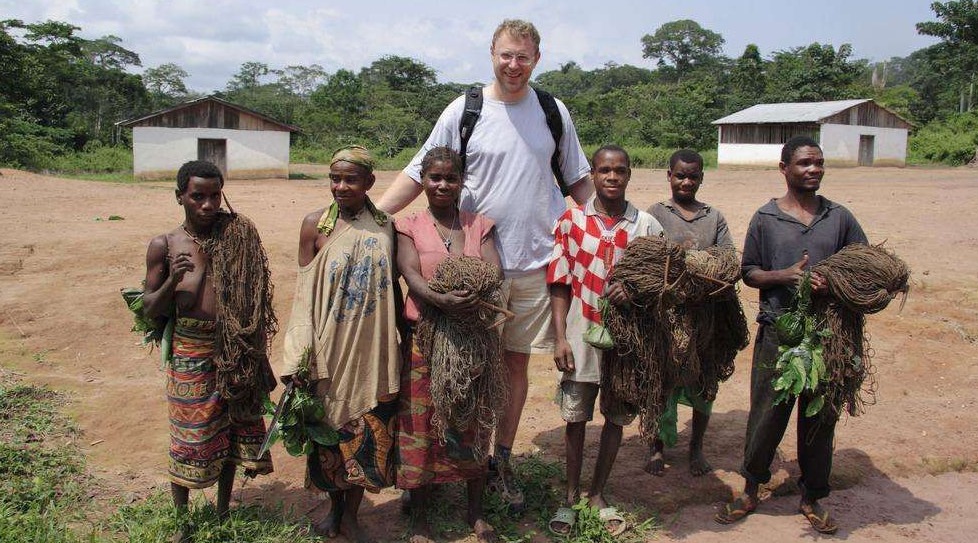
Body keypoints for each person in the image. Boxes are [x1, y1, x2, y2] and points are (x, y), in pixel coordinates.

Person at [376, 19, 592, 511]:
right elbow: (418, 169)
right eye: (506, 55)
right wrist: (369, 220)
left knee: (513, 367)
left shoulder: (552, 111)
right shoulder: (465, 109)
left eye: (523, 57)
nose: (514, 65)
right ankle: (449, 458)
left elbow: (579, 181)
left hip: (536, 263)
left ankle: (499, 460)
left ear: (537, 58)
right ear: (491, 54)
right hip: (471, 265)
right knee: (460, 363)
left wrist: (621, 226)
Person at [715, 136, 867, 534]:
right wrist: (785, 276)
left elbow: (864, 265)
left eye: (818, 163)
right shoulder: (766, 218)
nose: (812, 170)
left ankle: (813, 496)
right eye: (803, 163)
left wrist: (831, 283)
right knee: (767, 414)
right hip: (778, 332)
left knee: (820, 418)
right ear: (784, 168)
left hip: (828, 337)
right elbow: (748, 272)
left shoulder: (840, 217)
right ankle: (750, 488)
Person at [141, 160, 277, 543]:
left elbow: (251, 303)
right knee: (190, 434)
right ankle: (182, 521)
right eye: (197, 196)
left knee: (233, 430)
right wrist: (173, 280)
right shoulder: (165, 245)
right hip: (190, 350)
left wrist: (258, 356)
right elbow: (150, 308)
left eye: (214, 195)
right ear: (180, 196)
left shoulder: (237, 234)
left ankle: (222, 509)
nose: (207, 204)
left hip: (234, 347)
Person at [280, 146, 401, 543]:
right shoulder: (315, 225)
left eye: (351, 179)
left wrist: (405, 335)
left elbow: (394, 291)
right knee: (330, 437)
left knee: (368, 437)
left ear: (369, 182)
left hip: (374, 350)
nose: (341, 186)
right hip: (330, 349)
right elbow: (303, 295)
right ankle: (335, 511)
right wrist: (299, 355)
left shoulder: (386, 225)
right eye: (335, 178)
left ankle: (352, 515)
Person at [547, 146, 663, 536]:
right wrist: (560, 337)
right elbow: (560, 283)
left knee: (615, 417)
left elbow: (660, 284)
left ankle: (598, 494)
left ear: (629, 175)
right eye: (604, 170)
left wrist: (636, 294)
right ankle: (570, 495)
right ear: (592, 175)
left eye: (620, 171)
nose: (612, 177)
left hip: (629, 343)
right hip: (580, 335)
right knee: (575, 418)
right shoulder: (572, 220)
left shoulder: (645, 226)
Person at [395, 146, 500, 543]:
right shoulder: (408, 226)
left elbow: (494, 271)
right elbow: (410, 273)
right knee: (421, 426)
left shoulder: (479, 224)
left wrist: (471, 291)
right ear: (423, 180)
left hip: (473, 343)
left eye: (450, 178)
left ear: (461, 181)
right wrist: (439, 299)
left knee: (473, 422)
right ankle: (420, 517)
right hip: (426, 341)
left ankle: (475, 512)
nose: (442, 185)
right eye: (434, 177)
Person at [646, 149, 734, 477]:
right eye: (680, 175)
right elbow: (646, 258)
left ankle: (696, 448)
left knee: (703, 382)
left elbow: (727, 260)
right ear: (668, 176)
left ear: (701, 178)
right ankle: (656, 447)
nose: (686, 181)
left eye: (693, 176)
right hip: (665, 317)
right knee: (660, 381)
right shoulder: (655, 214)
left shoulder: (714, 217)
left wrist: (699, 267)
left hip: (704, 316)